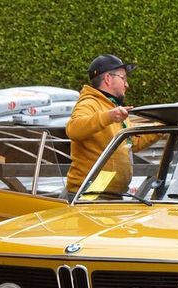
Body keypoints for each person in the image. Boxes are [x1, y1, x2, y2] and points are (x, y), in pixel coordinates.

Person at [65, 54, 160, 197]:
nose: (127, 85)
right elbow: (74, 129)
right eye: (123, 78)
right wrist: (108, 116)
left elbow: (133, 142)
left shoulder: (113, 107)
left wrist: (161, 127)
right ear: (108, 79)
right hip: (90, 195)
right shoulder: (90, 103)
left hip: (108, 194)